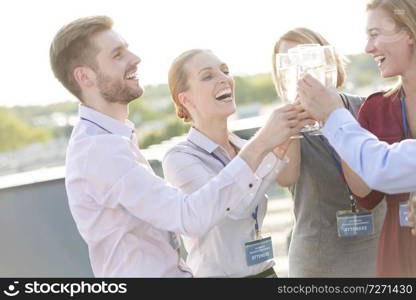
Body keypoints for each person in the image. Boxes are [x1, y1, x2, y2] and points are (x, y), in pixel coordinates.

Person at [50, 16, 310, 277]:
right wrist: (264, 142)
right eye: (117, 55)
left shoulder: (113, 139)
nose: (135, 58)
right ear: (85, 76)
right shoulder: (101, 151)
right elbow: (189, 217)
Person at [298, 0, 416, 277]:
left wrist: (335, 117)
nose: (367, 48)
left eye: (375, 34)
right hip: (398, 255)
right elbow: (364, 190)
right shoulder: (375, 108)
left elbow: (383, 168)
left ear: (410, 32)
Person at [162, 49, 296, 277]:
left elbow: (285, 179)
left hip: (266, 274)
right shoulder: (179, 158)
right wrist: (266, 144)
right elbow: (234, 207)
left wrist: (283, 143)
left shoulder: (245, 147)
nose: (224, 79)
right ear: (185, 99)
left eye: (225, 71)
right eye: (207, 76)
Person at [272, 28, 385, 277]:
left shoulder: (369, 107)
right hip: (318, 262)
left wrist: (334, 116)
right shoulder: (282, 122)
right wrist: (293, 122)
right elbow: (286, 177)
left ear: (329, 61)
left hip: (378, 254)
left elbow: (363, 188)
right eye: (289, 63)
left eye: (307, 58)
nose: (301, 71)